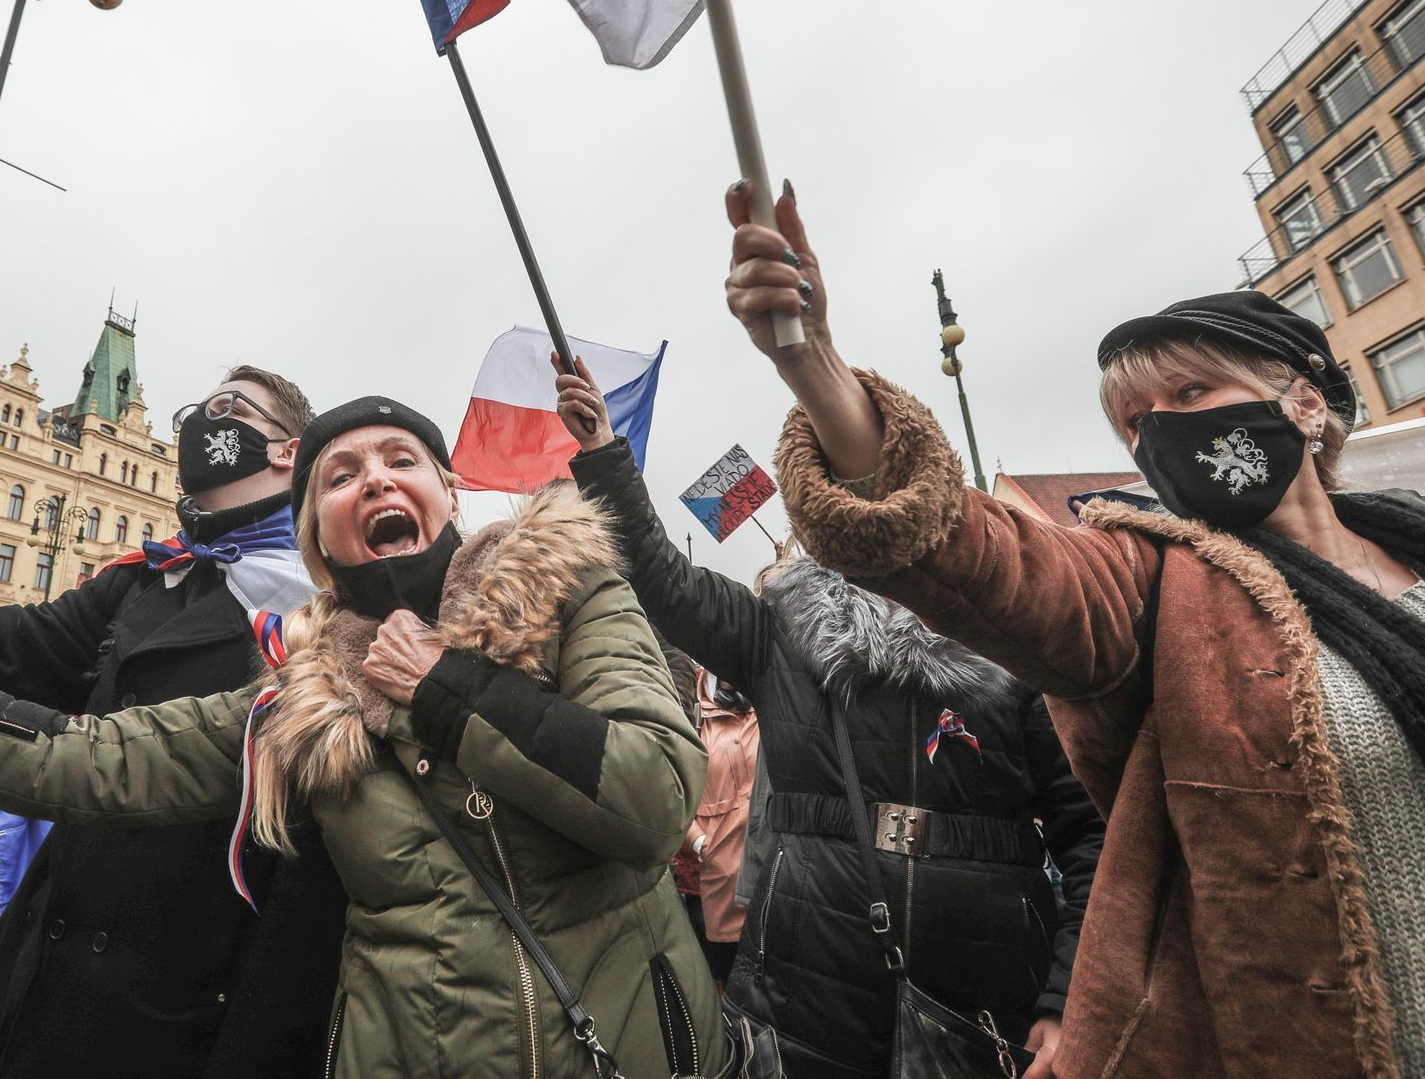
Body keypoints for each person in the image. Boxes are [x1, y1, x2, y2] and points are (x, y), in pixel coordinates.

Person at [0, 396, 740, 1077]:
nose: (372, 477)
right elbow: (69, 758)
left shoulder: (572, 592)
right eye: (341, 472)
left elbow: (652, 800)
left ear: (446, 490)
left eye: (399, 457)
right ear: (321, 537)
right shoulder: (292, 698)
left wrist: (446, 684)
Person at [722, 178, 1425, 1076]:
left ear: (1304, 401)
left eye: (1190, 391)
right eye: (1134, 423)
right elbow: (981, 555)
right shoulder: (1148, 583)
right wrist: (815, 365)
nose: (1155, 435)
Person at [0, 368, 348, 1079]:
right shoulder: (143, 581)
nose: (201, 424)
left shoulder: (327, 602)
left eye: (228, 410)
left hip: (196, 993)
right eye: (196, 409)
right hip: (70, 984)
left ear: (287, 453)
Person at [558, 361, 1103, 1077]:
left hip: (990, 989)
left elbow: (1092, 839)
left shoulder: (1018, 626)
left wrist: (1069, 1001)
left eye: (883, 467)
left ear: (926, 478)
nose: (863, 493)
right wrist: (602, 452)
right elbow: (659, 577)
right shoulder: (776, 629)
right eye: (835, 476)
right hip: (804, 979)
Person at [684, 668, 758, 987]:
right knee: (731, 989)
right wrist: (700, 842)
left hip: (775, 874)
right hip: (722, 883)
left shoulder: (769, 697)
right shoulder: (690, 710)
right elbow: (672, 789)